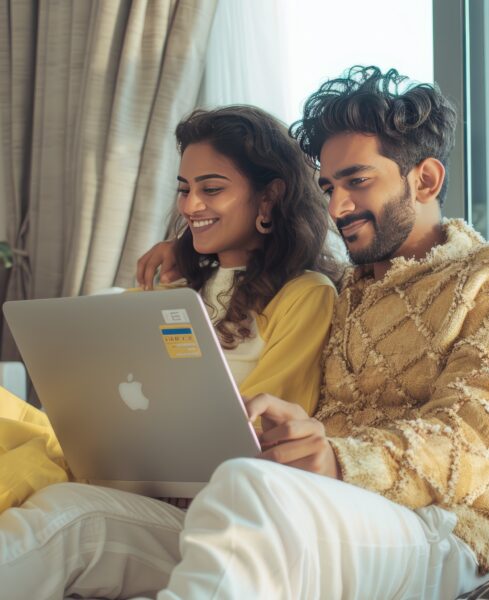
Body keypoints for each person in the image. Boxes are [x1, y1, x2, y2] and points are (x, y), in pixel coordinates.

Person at [0, 67, 489, 600]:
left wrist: (337, 460)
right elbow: (271, 268)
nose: (338, 205)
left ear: (424, 179)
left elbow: (474, 443)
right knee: (74, 515)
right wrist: (192, 253)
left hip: (452, 533)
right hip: (316, 512)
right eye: (328, 187)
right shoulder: (350, 288)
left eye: (357, 180)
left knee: (248, 486)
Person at [0, 105, 339, 512]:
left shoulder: (305, 294)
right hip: (111, 457)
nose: (190, 206)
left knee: (32, 466)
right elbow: (103, 371)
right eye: (184, 189)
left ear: (270, 197)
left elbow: (262, 425)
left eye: (211, 189)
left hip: (181, 477)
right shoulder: (175, 285)